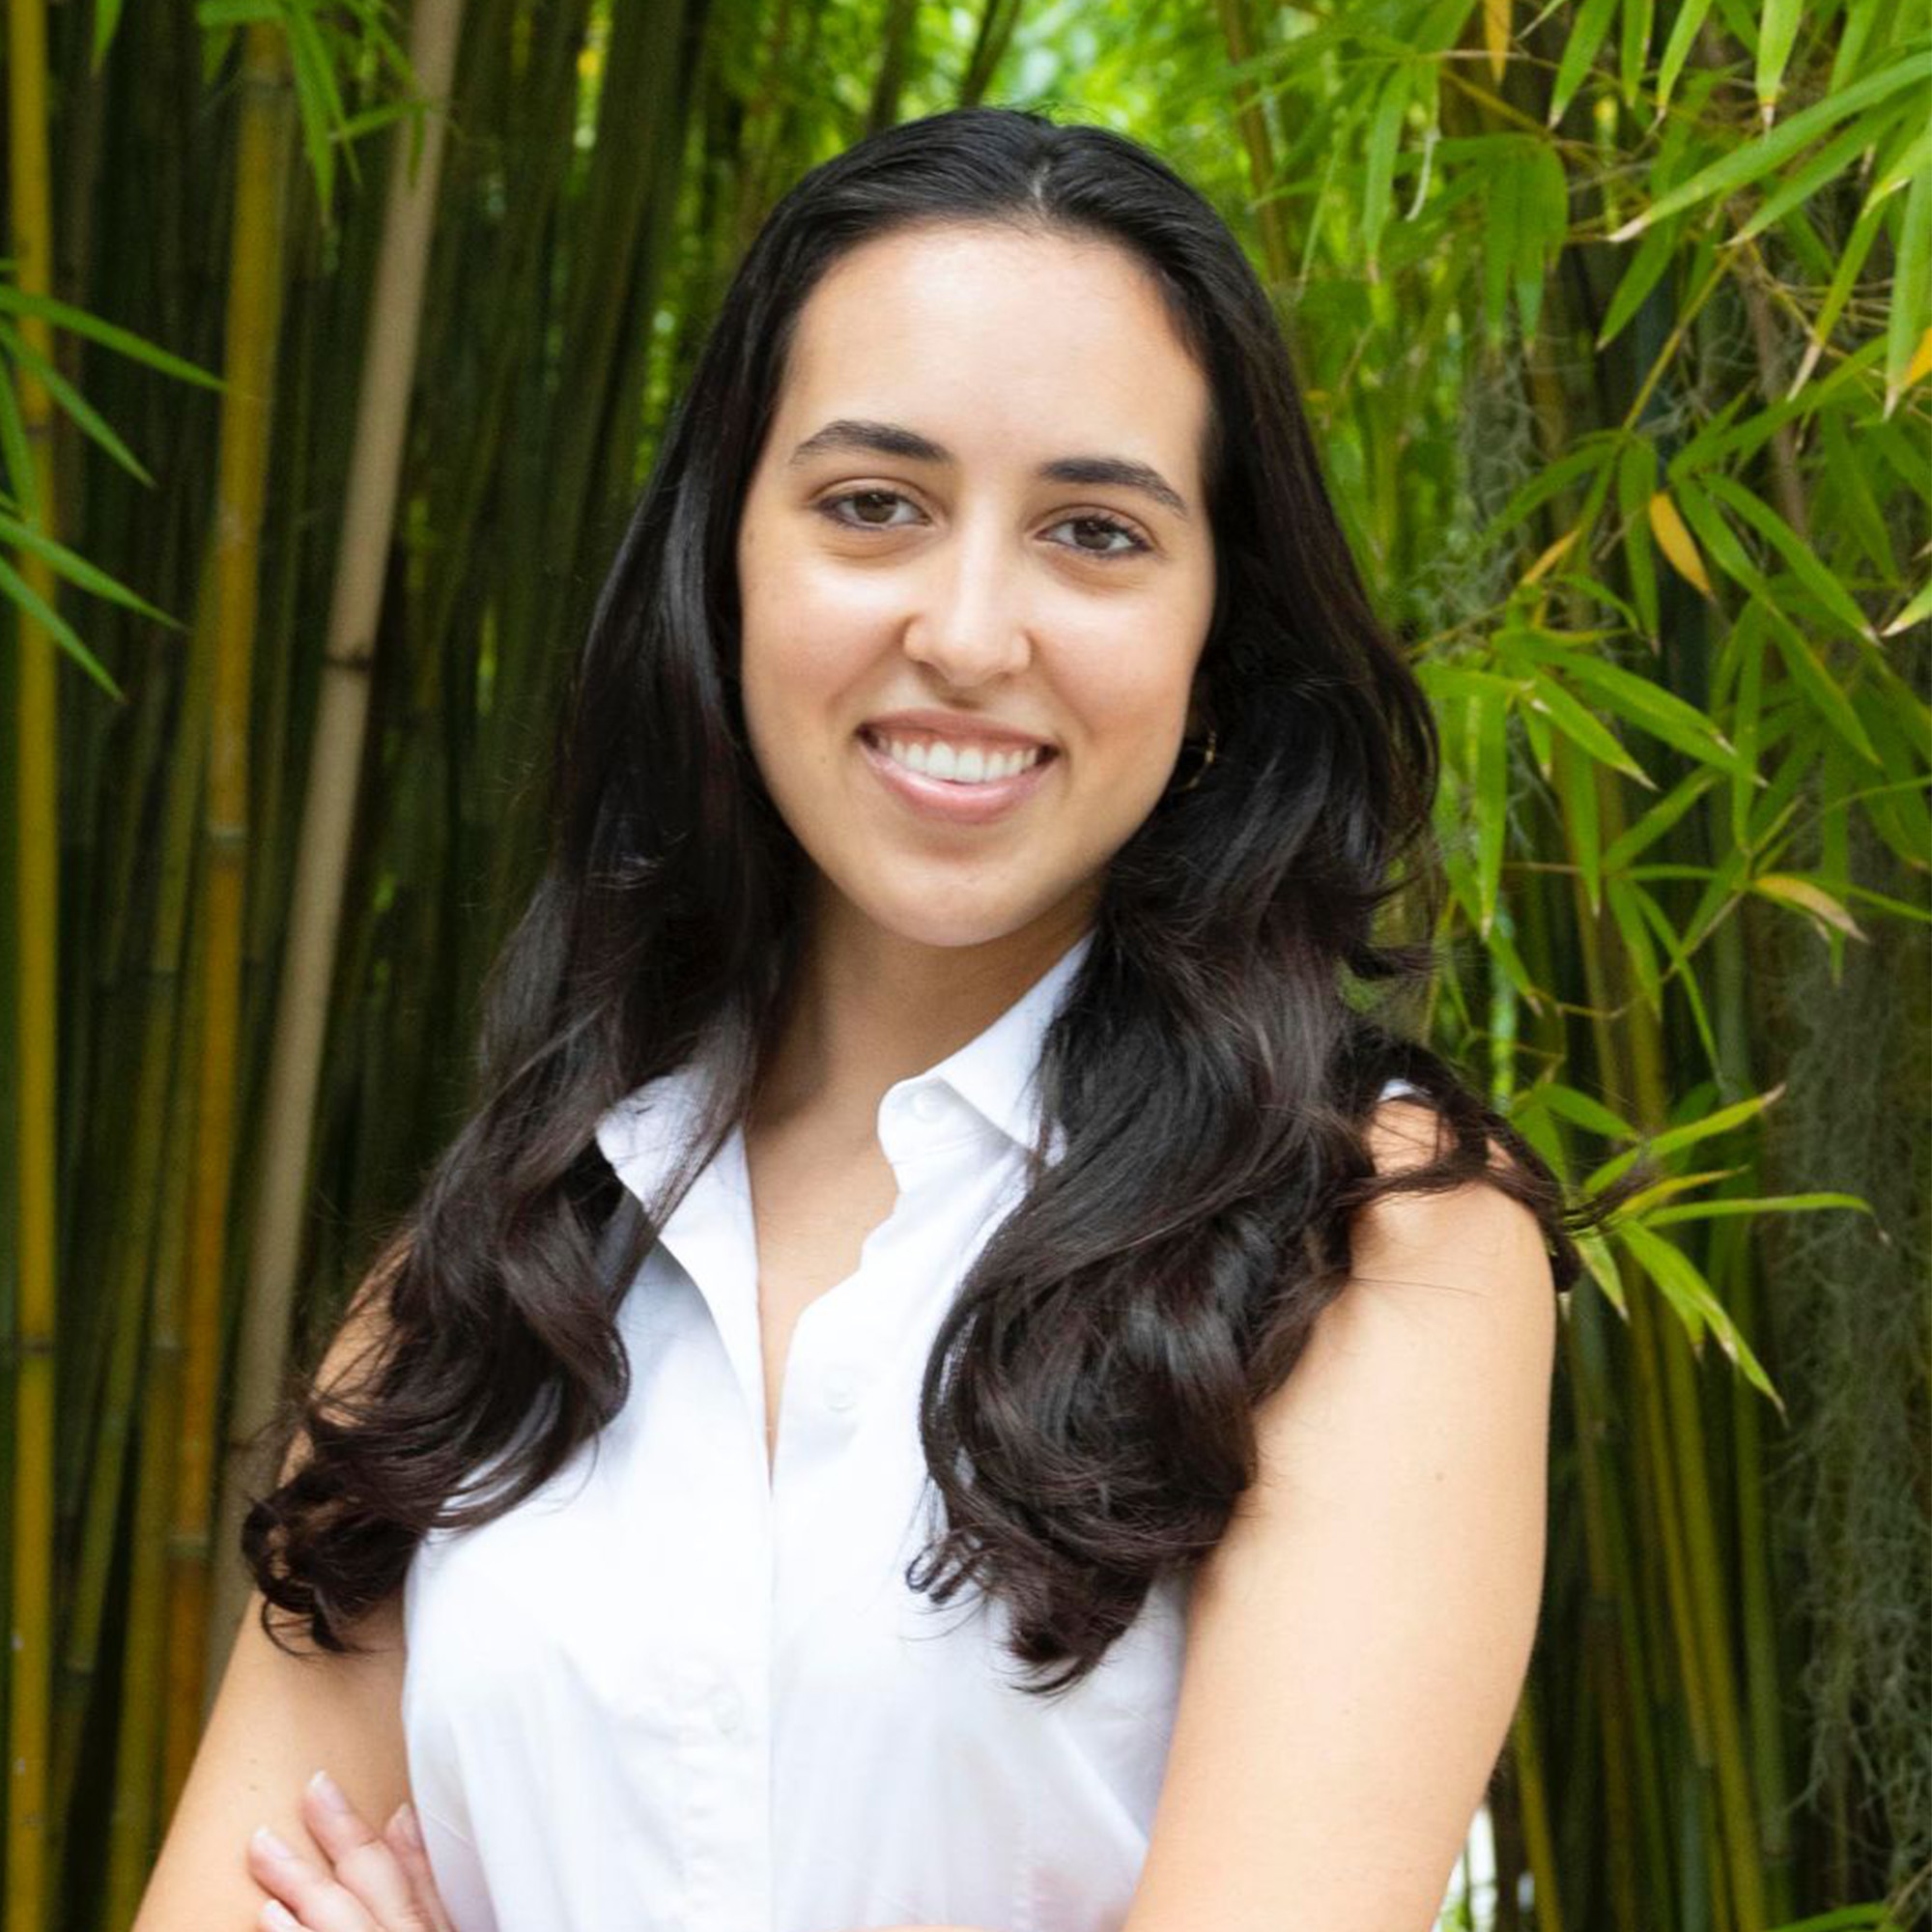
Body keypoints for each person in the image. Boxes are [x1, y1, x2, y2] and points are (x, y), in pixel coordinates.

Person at [135, 103, 1593, 1932]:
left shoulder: (1377, 1244)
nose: (972, 631)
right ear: (724, 566)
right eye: (873, 506)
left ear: (1221, 636)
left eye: (1095, 530)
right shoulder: (487, 1281)